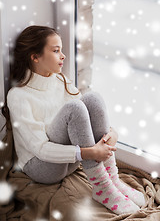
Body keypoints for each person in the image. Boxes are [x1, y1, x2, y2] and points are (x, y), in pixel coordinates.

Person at [1, 25, 145, 215]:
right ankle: (102, 188)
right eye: (55, 50)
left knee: (92, 98)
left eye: (61, 50)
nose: (63, 56)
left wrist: (112, 133)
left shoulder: (59, 80)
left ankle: (112, 179)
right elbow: (40, 149)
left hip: (70, 160)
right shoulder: (18, 96)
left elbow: (86, 114)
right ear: (35, 57)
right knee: (74, 108)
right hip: (41, 166)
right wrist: (89, 152)